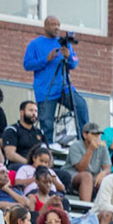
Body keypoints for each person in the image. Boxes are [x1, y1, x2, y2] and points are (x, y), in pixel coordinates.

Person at [23, 17, 90, 145]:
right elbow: (27, 65)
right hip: (45, 89)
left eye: (58, 24)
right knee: (47, 123)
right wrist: (45, 59)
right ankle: (47, 149)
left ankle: (84, 142)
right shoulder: (35, 44)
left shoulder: (64, 43)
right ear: (45, 26)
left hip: (64, 87)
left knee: (81, 106)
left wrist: (68, 56)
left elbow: (74, 64)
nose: (56, 27)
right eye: (53, 24)